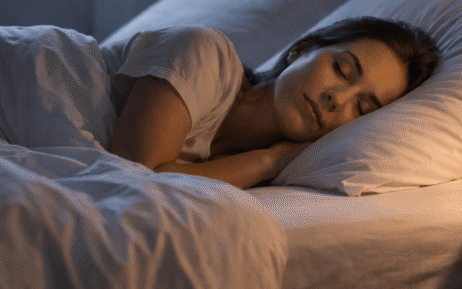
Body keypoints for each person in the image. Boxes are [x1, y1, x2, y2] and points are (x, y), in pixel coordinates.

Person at [109, 16, 438, 189]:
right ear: (300, 49)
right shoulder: (203, 52)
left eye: (363, 108)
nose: (336, 99)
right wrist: (271, 160)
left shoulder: (251, 171)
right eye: (342, 69)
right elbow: (133, 184)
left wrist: (272, 162)